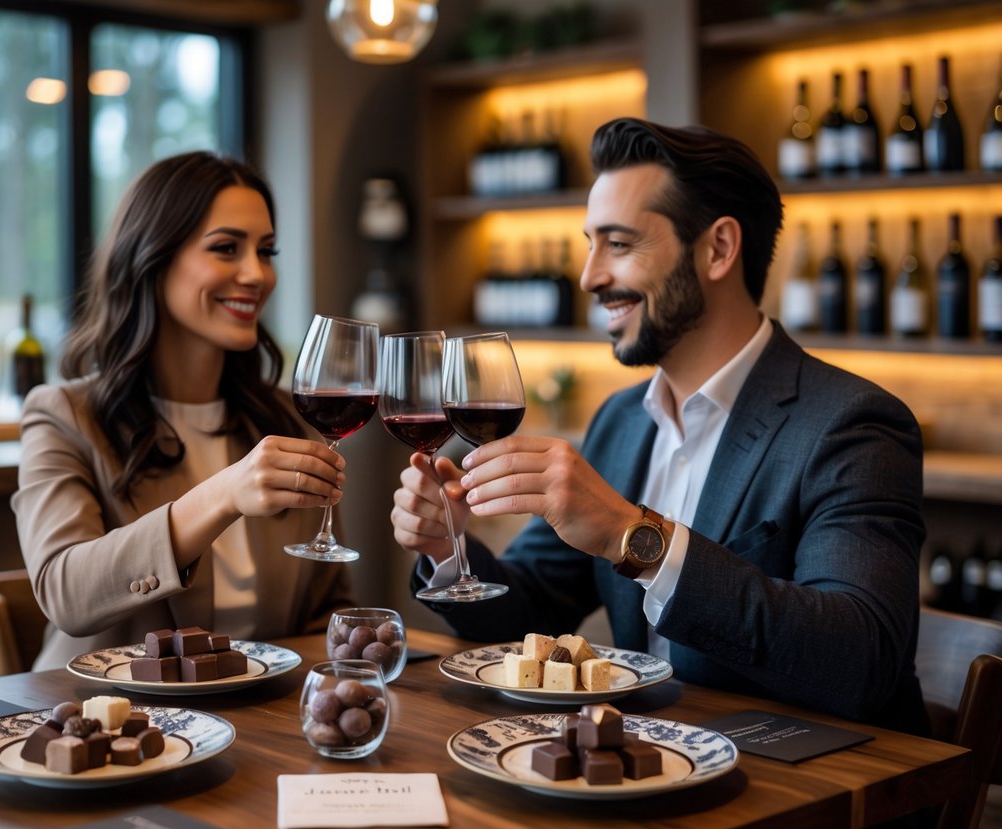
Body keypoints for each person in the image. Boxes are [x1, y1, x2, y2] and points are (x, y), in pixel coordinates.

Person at [392, 117, 928, 734]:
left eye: (618, 245)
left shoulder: (852, 425)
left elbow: (859, 661)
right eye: (590, 244)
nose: (591, 276)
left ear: (719, 249)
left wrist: (634, 535)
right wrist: (447, 549)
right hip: (653, 769)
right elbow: (531, 605)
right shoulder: (622, 420)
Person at [14, 151, 353, 670]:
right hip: (105, 723)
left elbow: (327, 610)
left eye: (266, 251)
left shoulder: (287, 418)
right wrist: (223, 494)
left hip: (257, 727)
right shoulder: (63, 415)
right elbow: (66, 595)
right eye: (225, 248)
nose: (256, 274)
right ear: (153, 258)